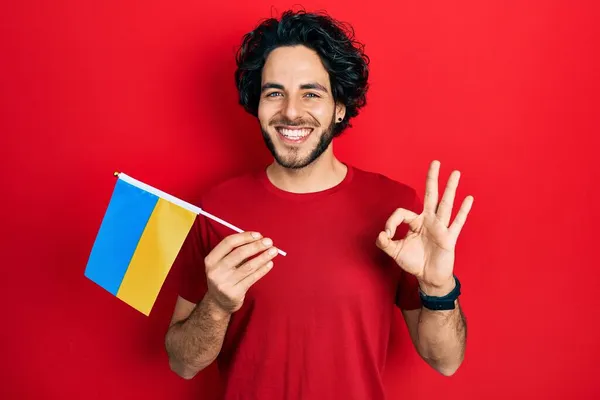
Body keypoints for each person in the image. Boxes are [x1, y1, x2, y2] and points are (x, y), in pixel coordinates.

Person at [164, 9, 473, 400]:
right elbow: (183, 364)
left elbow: (445, 361)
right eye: (274, 93)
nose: (291, 111)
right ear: (256, 105)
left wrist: (438, 286)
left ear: (339, 107)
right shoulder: (216, 206)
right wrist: (218, 305)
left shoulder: (395, 208)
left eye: (311, 93)